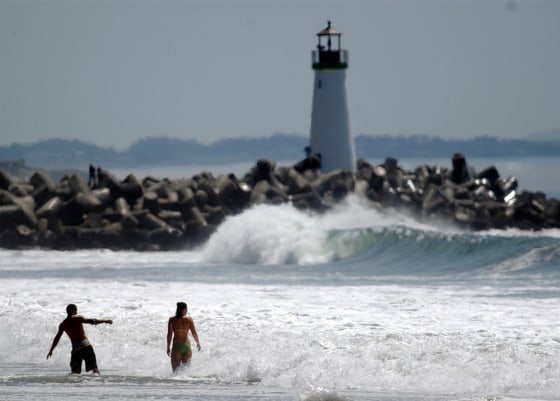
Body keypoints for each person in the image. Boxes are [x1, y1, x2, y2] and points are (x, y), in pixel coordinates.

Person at [46, 304, 113, 374]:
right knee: (95, 370)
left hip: (76, 350)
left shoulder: (63, 324)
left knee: (74, 373)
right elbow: (92, 321)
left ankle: (75, 384)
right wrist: (105, 321)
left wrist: (51, 350)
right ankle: (97, 383)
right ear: (74, 311)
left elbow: (57, 338)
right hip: (86, 347)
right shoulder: (78, 318)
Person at [167, 302, 201, 372]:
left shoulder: (172, 320)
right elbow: (194, 333)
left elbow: (169, 335)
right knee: (186, 373)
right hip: (187, 346)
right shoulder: (189, 320)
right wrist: (198, 343)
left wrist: (168, 347)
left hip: (177, 347)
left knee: (175, 373)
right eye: (186, 309)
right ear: (184, 309)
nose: (187, 311)